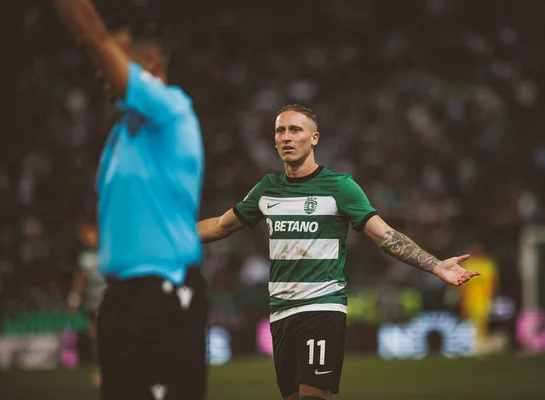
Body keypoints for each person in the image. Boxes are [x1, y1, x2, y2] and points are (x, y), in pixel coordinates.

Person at [196, 104, 481, 400]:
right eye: (280, 130)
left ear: (314, 138)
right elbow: (219, 226)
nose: (286, 137)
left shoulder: (339, 186)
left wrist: (436, 266)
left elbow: (385, 236)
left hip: (321, 307)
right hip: (281, 311)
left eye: (296, 130)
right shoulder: (267, 189)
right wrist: (164, 237)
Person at [53, 2, 207, 399]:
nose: (100, 66)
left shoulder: (172, 109)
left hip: (163, 293)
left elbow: (92, 36)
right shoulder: (120, 137)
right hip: (120, 297)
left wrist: (94, 34)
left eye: (114, 57)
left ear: (150, 60)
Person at [67, 221, 105, 387]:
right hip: (93, 301)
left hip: (109, 298)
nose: (86, 237)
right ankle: (100, 368)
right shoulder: (84, 257)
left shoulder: (108, 250)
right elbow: (79, 281)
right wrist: (74, 298)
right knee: (96, 334)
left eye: (88, 233)